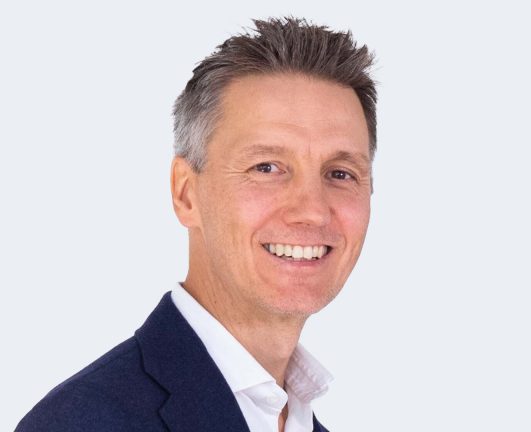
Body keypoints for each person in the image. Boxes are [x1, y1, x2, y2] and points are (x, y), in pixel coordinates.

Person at [16, 16, 377, 432]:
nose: (312, 210)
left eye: (340, 174)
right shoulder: (79, 423)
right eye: (266, 167)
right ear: (186, 194)